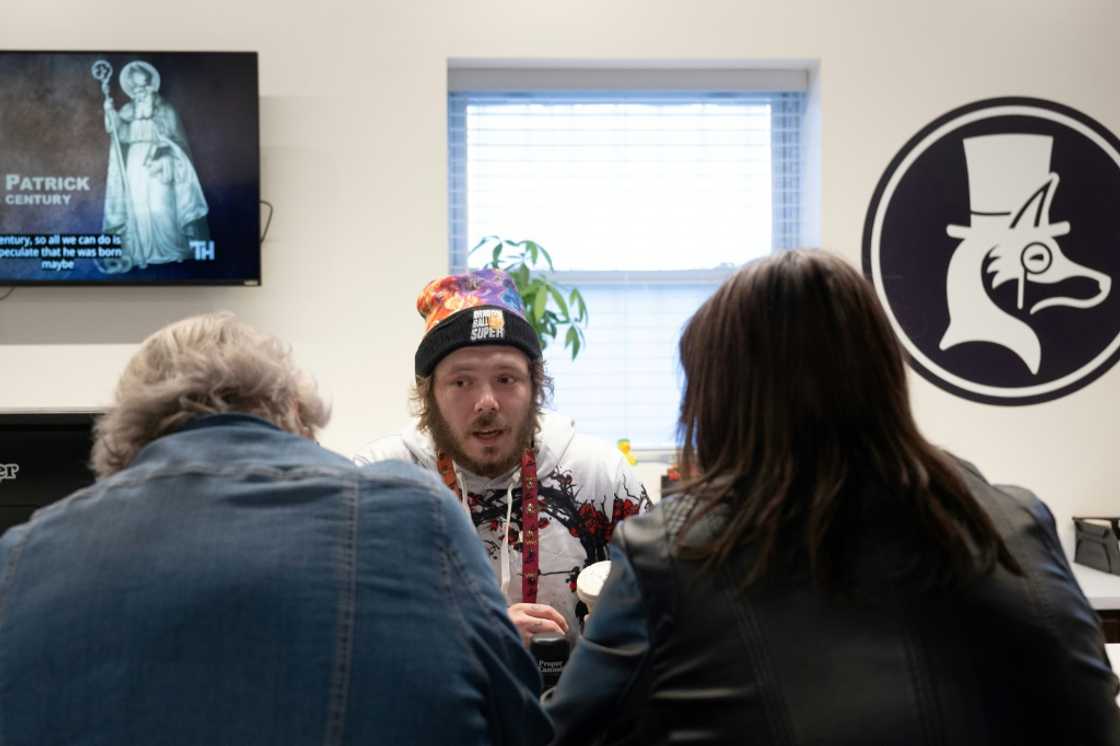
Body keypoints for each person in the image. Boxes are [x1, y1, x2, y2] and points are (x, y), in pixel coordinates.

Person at [544, 250, 1120, 745]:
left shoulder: (670, 554)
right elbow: (1094, 719)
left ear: (719, 402)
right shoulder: (1015, 520)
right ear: (883, 375)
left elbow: (563, 733)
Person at [0, 312, 551, 746]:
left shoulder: (20, 557)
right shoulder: (417, 513)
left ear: (125, 434)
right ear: (295, 410)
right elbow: (519, 724)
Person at [358, 268, 650, 645]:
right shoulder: (376, 485)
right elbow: (348, 631)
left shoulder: (601, 476)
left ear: (535, 384)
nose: (487, 402)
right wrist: (478, 635)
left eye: (506, 379)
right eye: (461, 381)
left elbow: (670, 615)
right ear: (428, 393)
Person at [100, 59, 209, 271]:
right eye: (135, 87)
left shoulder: (166, 110)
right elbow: (119, 132)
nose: (139, 91)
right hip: (134, 161)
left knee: (162, 203)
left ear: (151, 85)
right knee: (138, 203)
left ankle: (172, 249)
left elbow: (177, 142)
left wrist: (165, 155)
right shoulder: (128, 110)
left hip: (160, 161)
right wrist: (110, 112)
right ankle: (141, 251)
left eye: (143, 86)